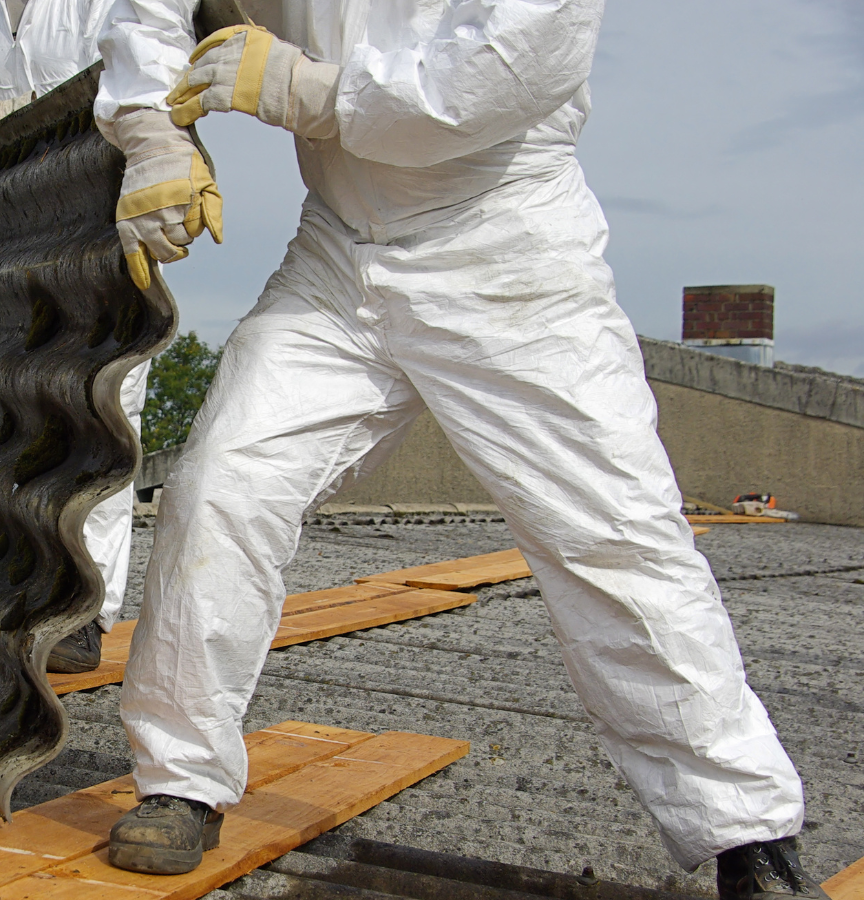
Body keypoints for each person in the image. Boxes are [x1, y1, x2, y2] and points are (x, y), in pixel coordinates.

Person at [92, 2, 828, 897]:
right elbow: (153, 10)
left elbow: (485, 82)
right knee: (220, 486)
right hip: (336, 252)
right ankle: (181, 780)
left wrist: (293, 85)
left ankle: (744, 831)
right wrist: (152, 136)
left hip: (506, 246)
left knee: (612, 535)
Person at [0, 0, 146, 674]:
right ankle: (14, 587)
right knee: (11, 405)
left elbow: (149, 80)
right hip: (7, 226)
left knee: (102, 407)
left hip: (102, 214)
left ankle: (85, 609)